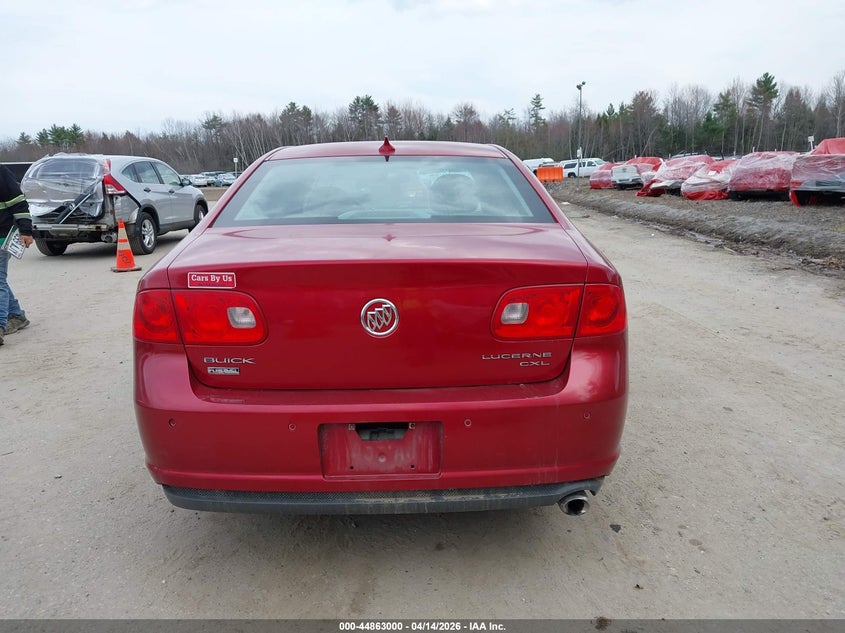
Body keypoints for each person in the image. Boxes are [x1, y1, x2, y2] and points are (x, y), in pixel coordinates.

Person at [0, 164, 34, 346]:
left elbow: (18, 203)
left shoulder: (1, 173)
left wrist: (26, 230)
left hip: (2, 235)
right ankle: (16, 315)